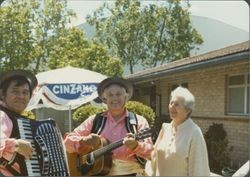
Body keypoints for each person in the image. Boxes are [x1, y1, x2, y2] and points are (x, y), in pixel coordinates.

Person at [64, 77, 153, 176]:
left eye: (119, 94)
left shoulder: (139, 121)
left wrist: (137, 146)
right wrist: (83, 141)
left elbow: (151, 154)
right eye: (110, 95)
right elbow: (67, 142)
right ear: (105, 99)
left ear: (126, 97)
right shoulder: (94, 120)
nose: (115, 98)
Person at [145, 86, 210, 176]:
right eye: (171, 103)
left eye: (176, 104)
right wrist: (137, 147)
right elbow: (154, 157)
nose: (172, 106)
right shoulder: (165, 128)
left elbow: (198, 169)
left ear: (187, 110)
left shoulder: (194, 133)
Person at [0, 70, 38, 176]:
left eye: (25, 92)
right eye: (15, 91)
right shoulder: (2, 115)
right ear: (2, 94)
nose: (21, 96)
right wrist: (16, 145)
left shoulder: (19, 119)